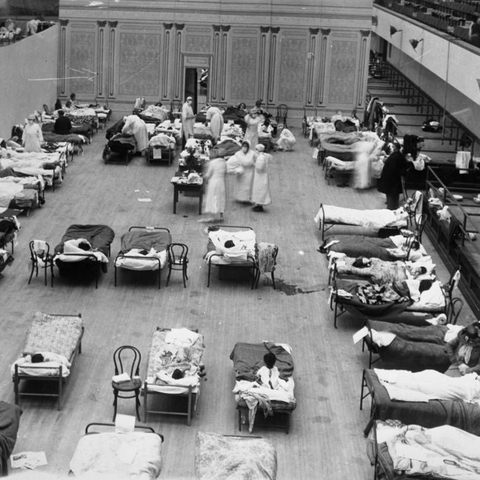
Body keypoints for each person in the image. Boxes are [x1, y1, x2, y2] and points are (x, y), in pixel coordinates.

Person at [377, 140, 410, 210]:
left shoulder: (396, 155)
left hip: (389, 179)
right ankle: (392, 210)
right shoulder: (399, 157)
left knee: (392, 196)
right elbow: (402, 171)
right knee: (392, 198)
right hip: (391, 181)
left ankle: (392, 207)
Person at [199, 149, 227, 223]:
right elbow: (225, 173)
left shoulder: (213, 163)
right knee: (221, 198)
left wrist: (202, 177)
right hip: (221, 182)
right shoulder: (224, 163)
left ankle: (210, 216)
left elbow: (208, 174)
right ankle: (221, 216)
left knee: (211, 198)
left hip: (213, 182)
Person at [251, 144, 272, 212]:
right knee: (259, 190)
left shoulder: (260, 158)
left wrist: (254, 164)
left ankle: (260, 206)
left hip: (260, 177)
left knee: (259, 190)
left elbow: (259, 168)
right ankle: (258, 205)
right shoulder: (263, 156)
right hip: (261, 176)